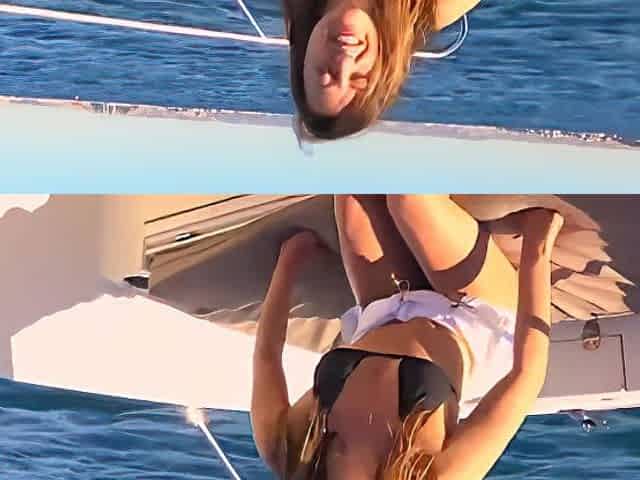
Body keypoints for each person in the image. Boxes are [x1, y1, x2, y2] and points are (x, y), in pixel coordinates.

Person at [251, 194, 564, 479]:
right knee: (407, 199)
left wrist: (289, 262)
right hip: (474, 317)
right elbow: (526, 377)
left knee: (355, 188)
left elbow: (267, 355)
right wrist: (537, 249)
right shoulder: (431, 476)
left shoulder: (287, 451)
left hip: (385, 307)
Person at [283, 0, 480, 140]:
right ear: (380, 70)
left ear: (304, 57)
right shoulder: (434, 5)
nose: (345, 61)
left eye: (327, 72)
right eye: (359, 77)